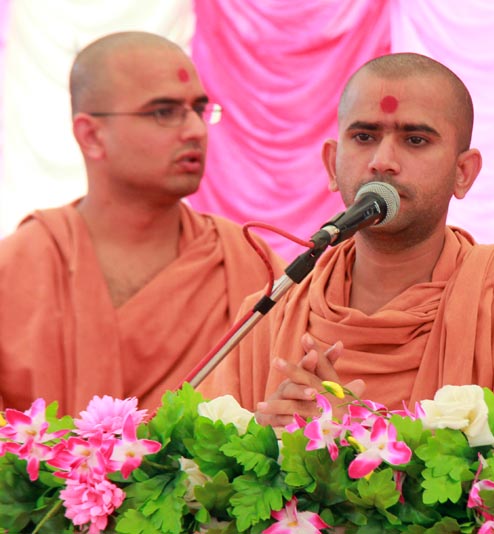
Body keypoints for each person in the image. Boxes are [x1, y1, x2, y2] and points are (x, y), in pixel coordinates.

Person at [201, 52, 494, 428]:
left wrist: (357, 439)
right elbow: (202, 464)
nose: (382, 161)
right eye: (364, 137)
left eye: (415, 140)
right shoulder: (269, 314)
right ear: (331, 164)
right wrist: (266, 444)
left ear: (463, 173)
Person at [0, 31, 284, 414]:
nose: (196, 131)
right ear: (91, 135)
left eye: (198, 110)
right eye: (164, 112)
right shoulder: (16, 268)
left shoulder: (248, 262)